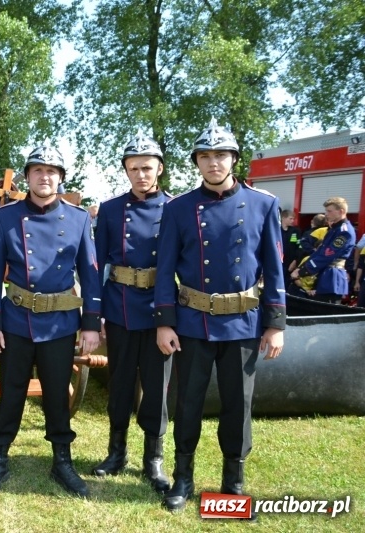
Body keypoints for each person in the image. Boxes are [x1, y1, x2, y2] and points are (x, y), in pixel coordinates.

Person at [154, 118, 285, 513]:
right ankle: (182, 478)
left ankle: (234, 481)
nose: (214, 162)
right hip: (193, 322)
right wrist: (165, 320)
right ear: (196, 162)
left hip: (244, 323)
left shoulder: (264, 204)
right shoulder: (178, 208)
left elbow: (275, 266)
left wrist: (275, 324)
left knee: (238, 404)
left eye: (221, 154)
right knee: (188, 402)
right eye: (206, 156)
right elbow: (164, 269)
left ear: (234, 159)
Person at [0, 145, 100, 497]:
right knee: (11, 391)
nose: (44, 177)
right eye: (37, 171)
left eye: (52, 172)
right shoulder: (6, 217)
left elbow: (90, 275)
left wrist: (91, 322)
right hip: (16, 320)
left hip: (60, 323)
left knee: (57, 395)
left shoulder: (78, 219)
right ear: (27, 176)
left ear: (60, 178)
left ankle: (62, 459)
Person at [91, 131, 172, 494]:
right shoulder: (109, 210)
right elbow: (96, 267)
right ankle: (115, 452)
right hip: (120, 307)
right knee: (120, 384)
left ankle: (153, 458)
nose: (141, 174)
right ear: (125, 171)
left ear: (159, 168)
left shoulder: (176, 208)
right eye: (133, 168)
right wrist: (98, 315)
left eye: (147, 167)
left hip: (160, 310)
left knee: (156, 388)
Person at [290, 197, 355, 304]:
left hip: (333, 278)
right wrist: (301, 268)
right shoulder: (335, 229)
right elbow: (319, 251)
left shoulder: (344, 231)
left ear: (341, 211)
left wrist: (302, 271)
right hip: (325, 276)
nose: (326, 214)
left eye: (329, 211)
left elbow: (327, 255)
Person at [280, 209, 300, 286]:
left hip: (290, 263)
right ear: (283, 218)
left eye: (293, 219)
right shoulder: (276, 230)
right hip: (278, 262)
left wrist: (295, 261)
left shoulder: (295, 231)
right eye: (290, 218)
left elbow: (299, 247)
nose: (293, 221)